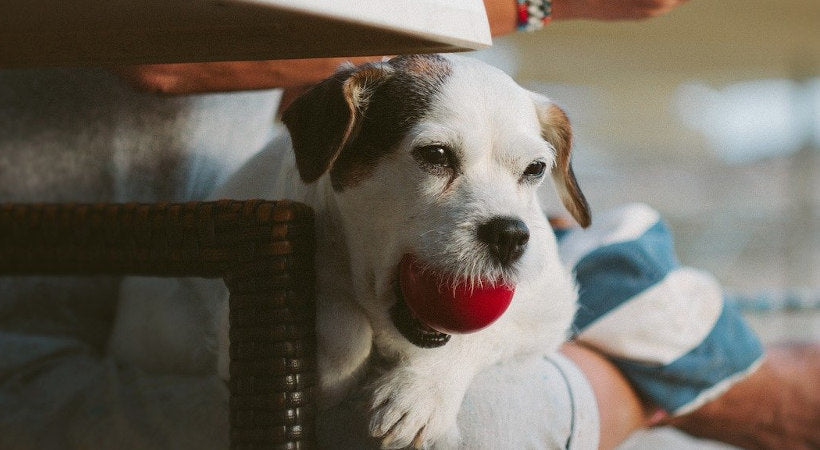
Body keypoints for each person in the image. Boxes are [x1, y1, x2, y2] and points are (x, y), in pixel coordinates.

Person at [1, 0, 817, 448]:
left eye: (537, 172)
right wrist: (536, 2)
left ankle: (625, 302)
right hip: (48, 332)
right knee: (478, 431)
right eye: (438, 158)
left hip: (249, 259)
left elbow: (330, 95)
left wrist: (447, 361)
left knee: (448, 408)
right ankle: (685, 355)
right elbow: (164, 48)